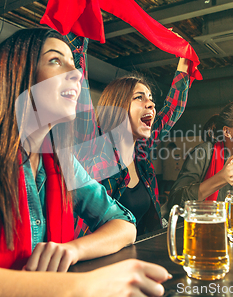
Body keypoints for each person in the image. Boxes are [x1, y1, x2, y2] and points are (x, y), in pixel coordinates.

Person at [0, 28, 171, 297]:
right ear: (18, 77)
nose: (75, 74)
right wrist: (83, 286)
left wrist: (73, 250)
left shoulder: (61, 162)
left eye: (73, 65)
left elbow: (123, 223)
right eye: (55, 61)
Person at [75, 57, 190, 236]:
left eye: (151, 99)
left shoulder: (140, 153)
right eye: (139, 97)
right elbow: (77, 83)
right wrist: (81, 34)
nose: (151, 104)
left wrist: (184, 64)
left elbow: (171, 110)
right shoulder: (94, 147)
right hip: (93, 261)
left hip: (136, 257)